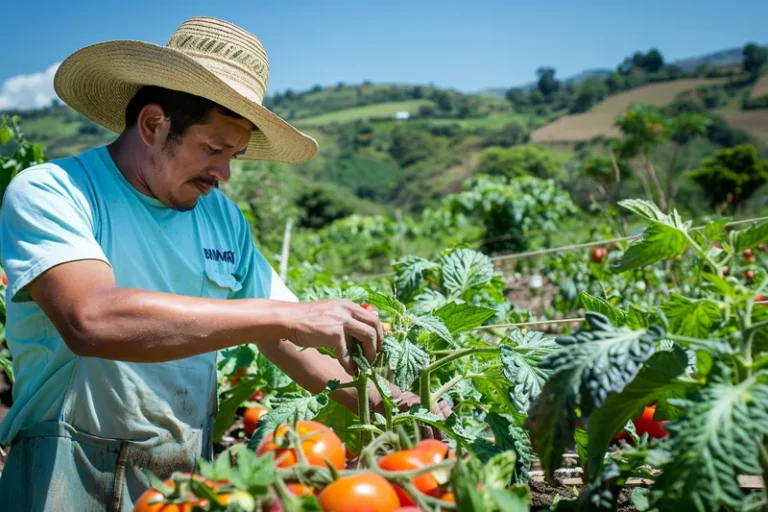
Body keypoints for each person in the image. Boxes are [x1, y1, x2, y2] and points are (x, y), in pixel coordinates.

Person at [0, 16, 447, 511]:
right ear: (153, 124)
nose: (225, 173)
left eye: (235, 154)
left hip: (184, 477)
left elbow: (285, 340)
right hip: (65, 475)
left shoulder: (220, 216)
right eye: (213, 149)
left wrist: (400, 406)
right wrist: (287, 316)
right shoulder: (53, 191)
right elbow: (92, 318)